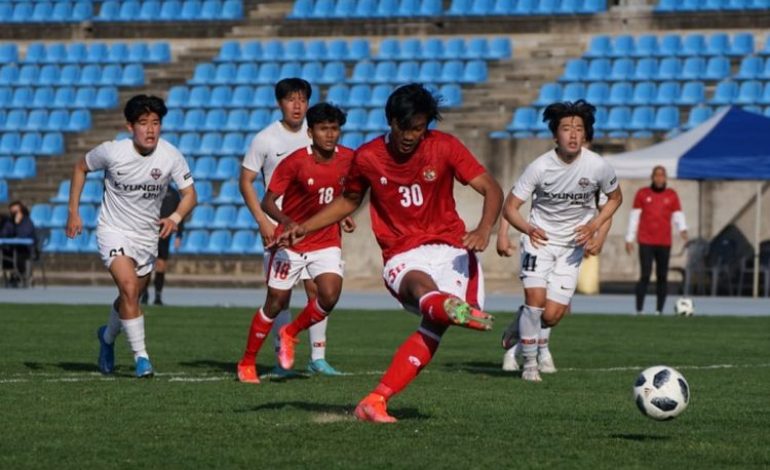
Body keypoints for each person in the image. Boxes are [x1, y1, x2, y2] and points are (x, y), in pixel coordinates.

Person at [276, 83, 503, 423]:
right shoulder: (367, 157)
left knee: (434, 328)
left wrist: (484, 229)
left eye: (419, 128)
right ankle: (444, 305)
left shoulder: (445, 147)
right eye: (405, 127)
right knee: (424, 291)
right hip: (402, 252)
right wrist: (304, 226)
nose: (412, 135)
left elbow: (491, 188)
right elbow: (350, 200)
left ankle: (375, 400)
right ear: (391, 121)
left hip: (451, 248)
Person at [66, 94, 197, 378]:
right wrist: (73, 212)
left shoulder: (171, 155)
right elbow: (80, 167)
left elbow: (190, 195)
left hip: (147, 236)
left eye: (156, 123)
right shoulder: (112, 151)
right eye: (143, 123)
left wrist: (175, 218)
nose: (150, 129)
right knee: (128, 287)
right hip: (113, 231)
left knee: (131, 296)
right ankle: (142, 358)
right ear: (130, 127)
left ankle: (107, 337)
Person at [499, 100, 622, 382]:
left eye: (579, 128)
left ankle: (519, 325)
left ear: (586, 134)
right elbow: (510, 206)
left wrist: (595, 229)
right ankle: (530, 365)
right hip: (539, 241)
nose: (573, 134)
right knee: (536, 301)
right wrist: (525, 230)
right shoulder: (539, 167)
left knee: (552, 315)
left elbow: (615, 200)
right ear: (556, 135)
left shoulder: (599, 167)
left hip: (571, 248)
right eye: (566, 128)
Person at [237, 102, 354, 384]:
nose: (330, 134)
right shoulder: (295, 162)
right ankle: (247, 361)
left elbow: (349, 195)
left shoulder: (350, 159)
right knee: (275, 303)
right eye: (323, 129)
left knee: (329, 294)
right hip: (290, 243)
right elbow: (267, 201)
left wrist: (344, 217)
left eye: (335, 129)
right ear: (311, 132)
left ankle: (291, 334)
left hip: (325, 241)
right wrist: (287, 221)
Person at [625, 165, 687, 315]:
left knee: (662, 276)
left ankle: (659, 310)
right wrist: (629, 238)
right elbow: (634, 217)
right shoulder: (642, 194)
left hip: (664, 242)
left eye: (662, 176)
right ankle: (639, 310)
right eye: (657, 175)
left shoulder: (671, 195)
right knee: (645, 275)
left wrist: (683, 229)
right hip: (646, 241)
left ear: (665, 178)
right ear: (652, 177)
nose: (659, 178)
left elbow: (678, 214)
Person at [140, 186, 184, 306]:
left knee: (161, 264)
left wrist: (179, 235)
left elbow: (180, 214)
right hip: (148, 232)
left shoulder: (173, 193)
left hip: (165, 232)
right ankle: (144, 294)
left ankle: (158, 295)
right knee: (146, 264)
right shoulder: (150, 189)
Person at [1, 201, 37, 287]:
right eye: (12, 212)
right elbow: (3, 234)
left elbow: (23, 235)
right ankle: (13, 275)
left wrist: (17, 224)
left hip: (26, 250)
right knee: (5, 251)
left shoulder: (27, 222)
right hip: (12, 249)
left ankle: (23, 275)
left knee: (20, 253)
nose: (14, 214)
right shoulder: (9, 222)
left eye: (16, 212)